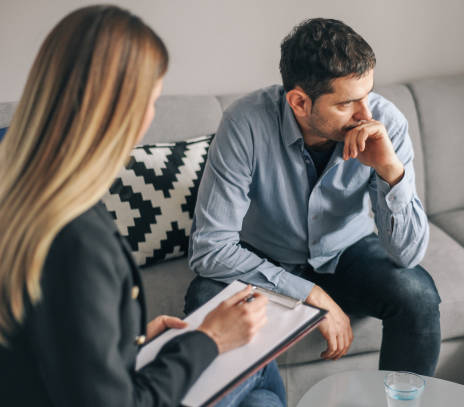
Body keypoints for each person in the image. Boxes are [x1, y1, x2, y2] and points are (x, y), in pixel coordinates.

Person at [0, 6, 286, 407]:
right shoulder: (77, 237)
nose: (151, 117)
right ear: (118, 109)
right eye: (152, 100)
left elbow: (57, 352)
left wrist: (126, 345)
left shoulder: (22, 198)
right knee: (261, 376)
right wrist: (209, 340)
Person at [186, 18, 441, 375]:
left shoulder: (385, 122)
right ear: (300, 102)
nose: (365, 115)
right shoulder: (245, 124)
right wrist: (310, 294)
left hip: (346, 251)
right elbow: (210, 249)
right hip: (265, 255)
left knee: (418, 295)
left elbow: (409, 253)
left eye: (367, 96)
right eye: (347, 103)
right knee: (204, 300)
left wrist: (390, 171)